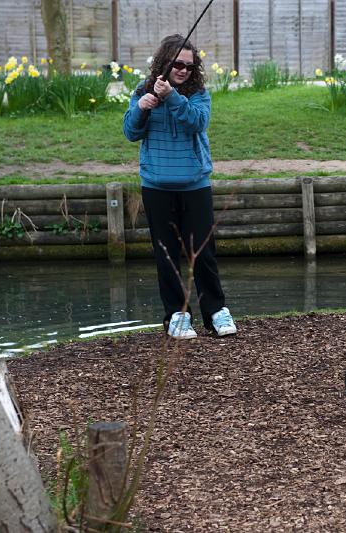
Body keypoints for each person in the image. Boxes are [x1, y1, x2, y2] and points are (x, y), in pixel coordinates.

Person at [123, 34, 236, 339]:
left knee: (203, 251)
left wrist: (171, 96)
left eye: (189, 65)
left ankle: (215, 312)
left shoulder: (198, 94)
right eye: (178, 64)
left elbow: (197, 122)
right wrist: (142, 107)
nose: (184, 69)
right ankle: (176, 315)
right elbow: (130, 132)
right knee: (167, 254)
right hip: (157, 186)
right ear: (165, 63)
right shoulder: (142, 91)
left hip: (194, 184)